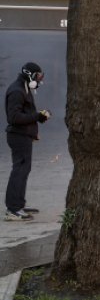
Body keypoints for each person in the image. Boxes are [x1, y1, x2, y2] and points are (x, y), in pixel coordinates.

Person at [5, 62, 50, 222]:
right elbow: (14, 118)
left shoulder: (24, 88)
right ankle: (13, 209)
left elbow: (26, 115)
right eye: (37, 76)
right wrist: (37, 116)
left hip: (23, 136)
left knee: (23, 170)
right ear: (28, 74)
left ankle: (19, 204)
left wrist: (39, 120)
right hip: (18, 137)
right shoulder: (17, 91)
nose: (39, 80)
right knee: (19, 171)